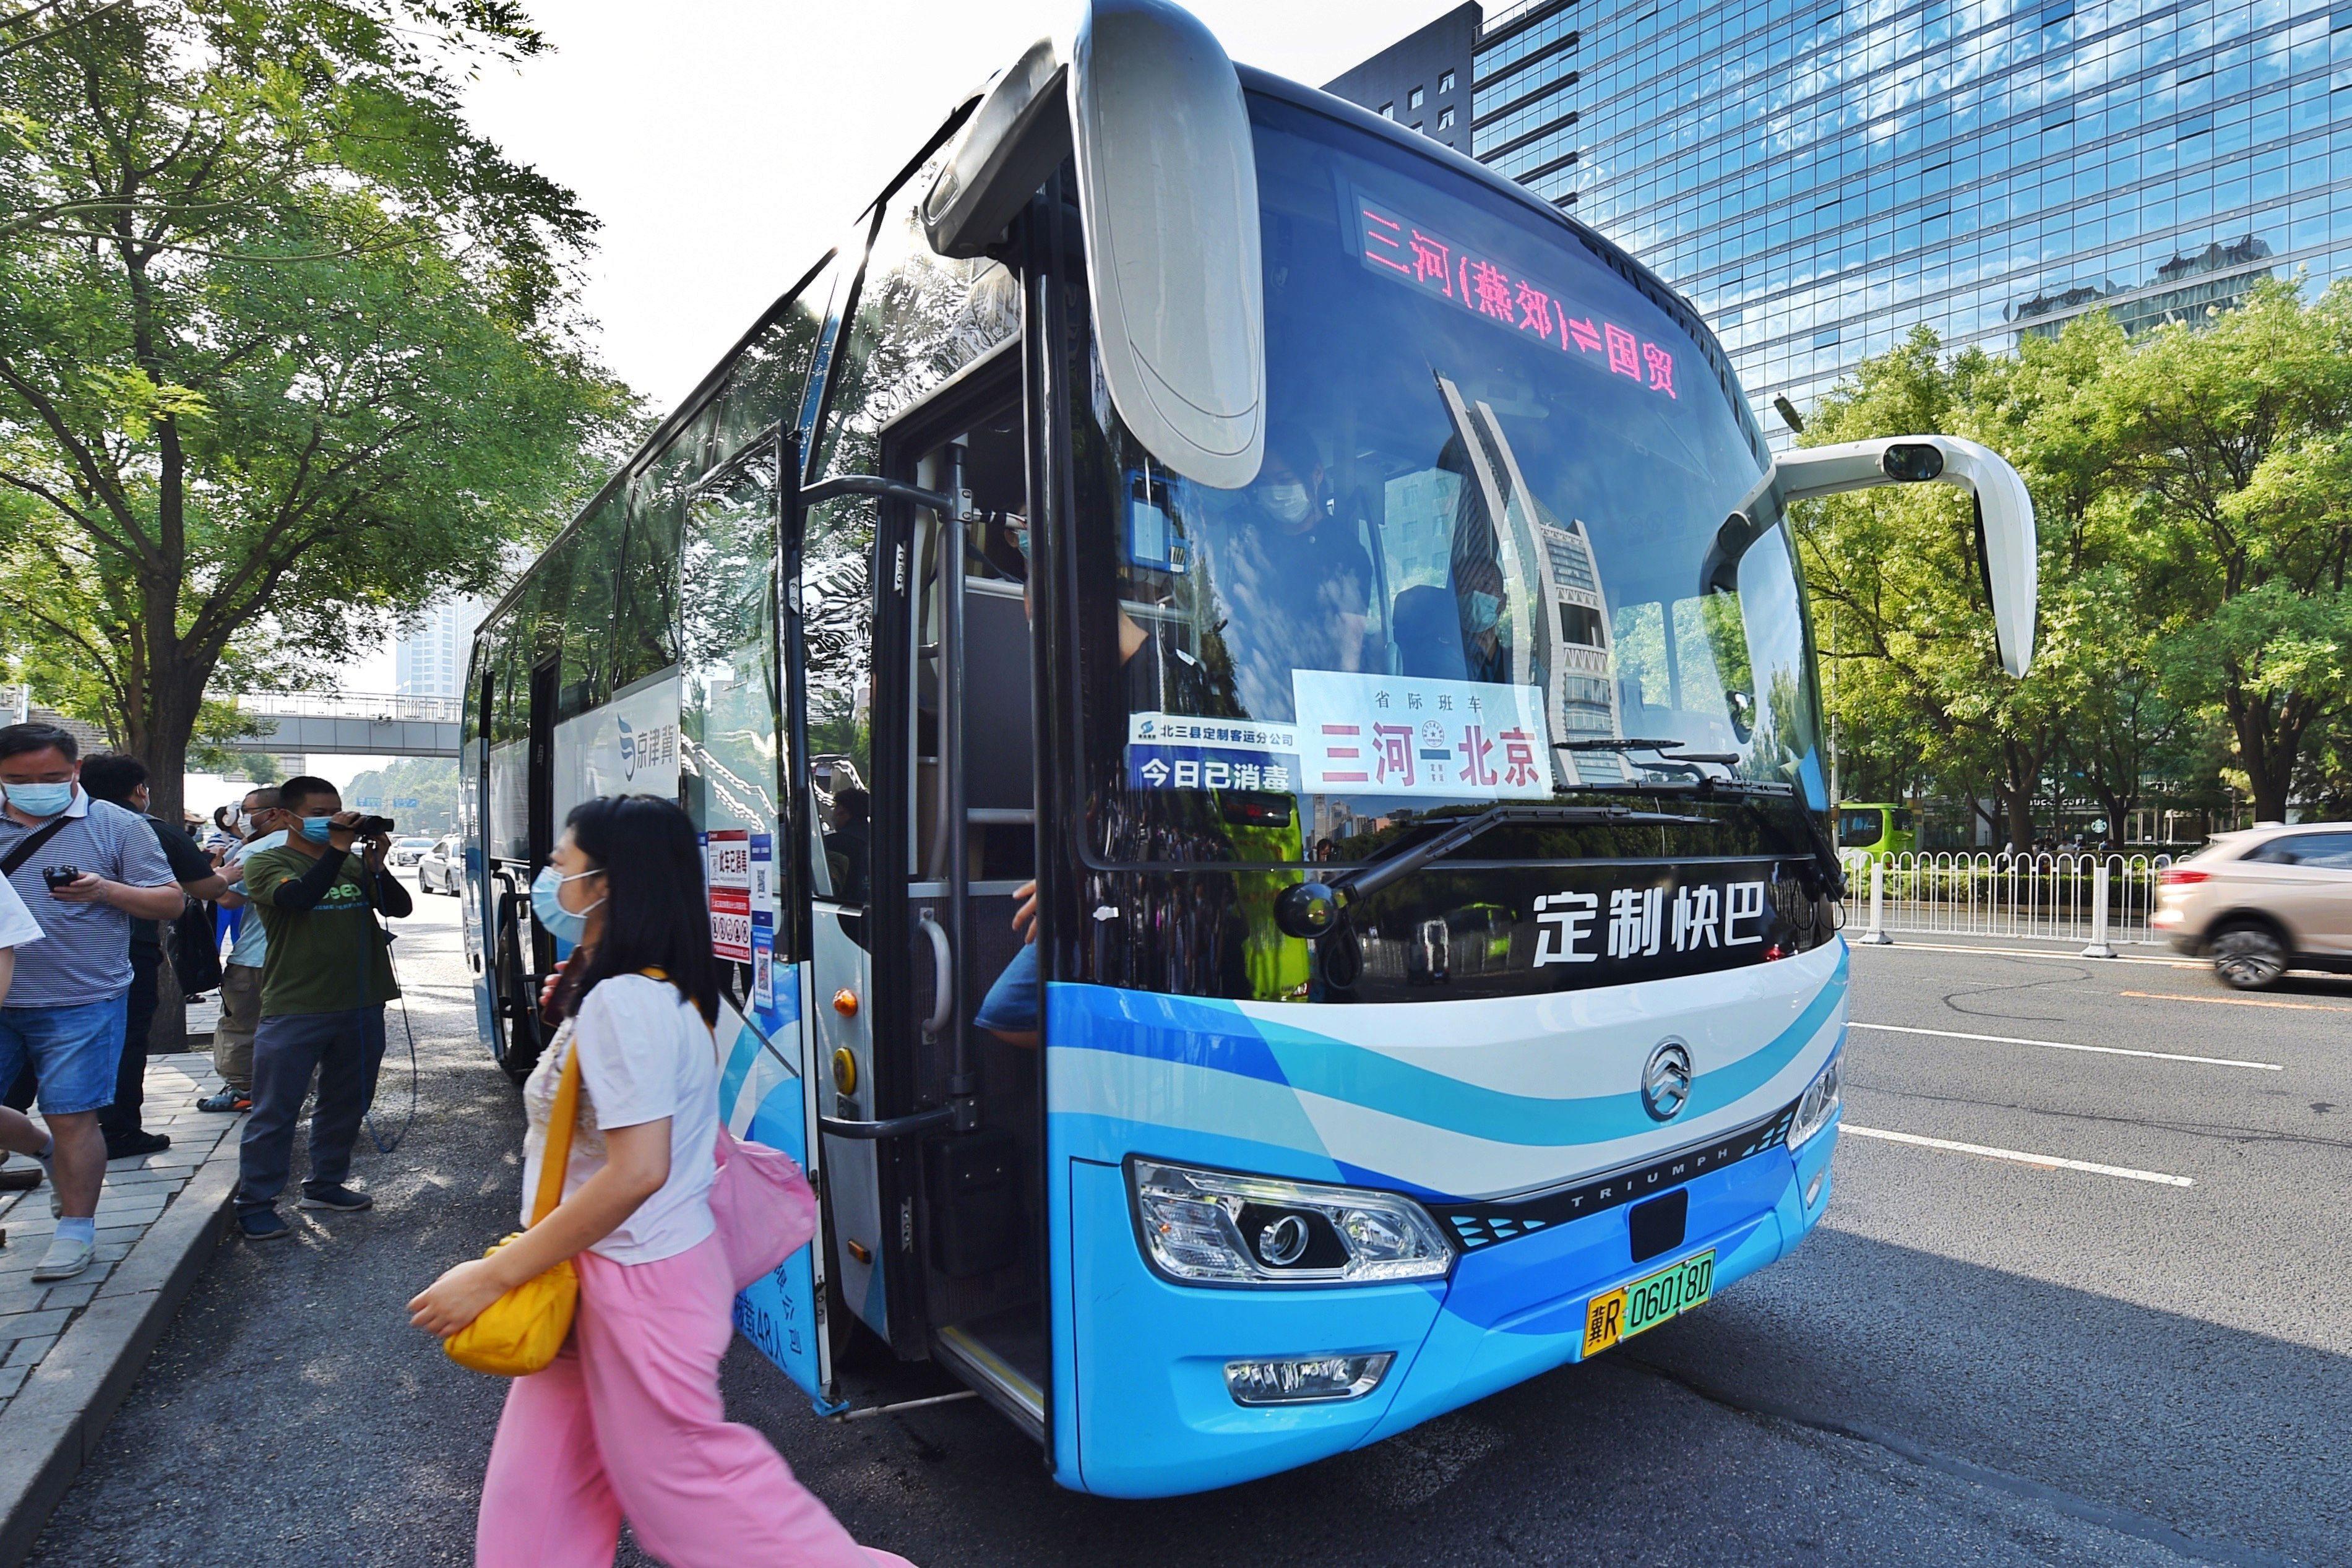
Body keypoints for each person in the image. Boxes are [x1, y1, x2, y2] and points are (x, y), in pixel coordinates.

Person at [408, 795, 915, 1568]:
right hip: (598, 1272)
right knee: (536, 1497)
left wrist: (492, 1274)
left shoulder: (628, 1000)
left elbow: (638, 1171)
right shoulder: (644, 988)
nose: (546, 877)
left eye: (561, 864)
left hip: (638, 1284)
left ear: (608, 884)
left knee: (697, 1504)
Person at [0, 724, 185, 1282]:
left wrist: (104, 890)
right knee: (51, 1129)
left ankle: (75, 1231)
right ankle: (41, 1149)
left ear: (76, 770)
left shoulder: (118, 825)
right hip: (2, 995)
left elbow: (171, 903)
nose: (36, 788)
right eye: (18, 780)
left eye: (52, 777)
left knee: (74, 1115)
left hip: (82, 997)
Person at [233, 775, 410, 1241]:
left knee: (348, 1101)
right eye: (317, 814)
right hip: (296, 1005)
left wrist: (376, 865)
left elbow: (400, 907)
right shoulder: (267, 862)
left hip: (361, 1002)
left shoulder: (353, 864)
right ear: (286, 816)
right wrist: (336, 850)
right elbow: (298, 898)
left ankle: (325, 1183)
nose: (331, 820)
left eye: (335, 810)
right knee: (276, 1110)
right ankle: (255, 1201)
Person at [75, 754, 231, 1157]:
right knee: (125, 1039)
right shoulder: (148, 829)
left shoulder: (60, 827)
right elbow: (205, 888)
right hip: (128, 949)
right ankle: (118, 1130)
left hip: (53, 952)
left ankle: (33, 1131)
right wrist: (232, 872)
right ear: (140, 791)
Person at [199, 786, 287, 1113]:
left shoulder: (256, 851)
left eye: (248, 812)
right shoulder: (322, 848)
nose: (243, 819)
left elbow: (229, 898)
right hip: (306, 959)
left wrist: (216, 876)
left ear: (274, 813)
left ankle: (242, 1089)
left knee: (243, 1025)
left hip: (255, 958)